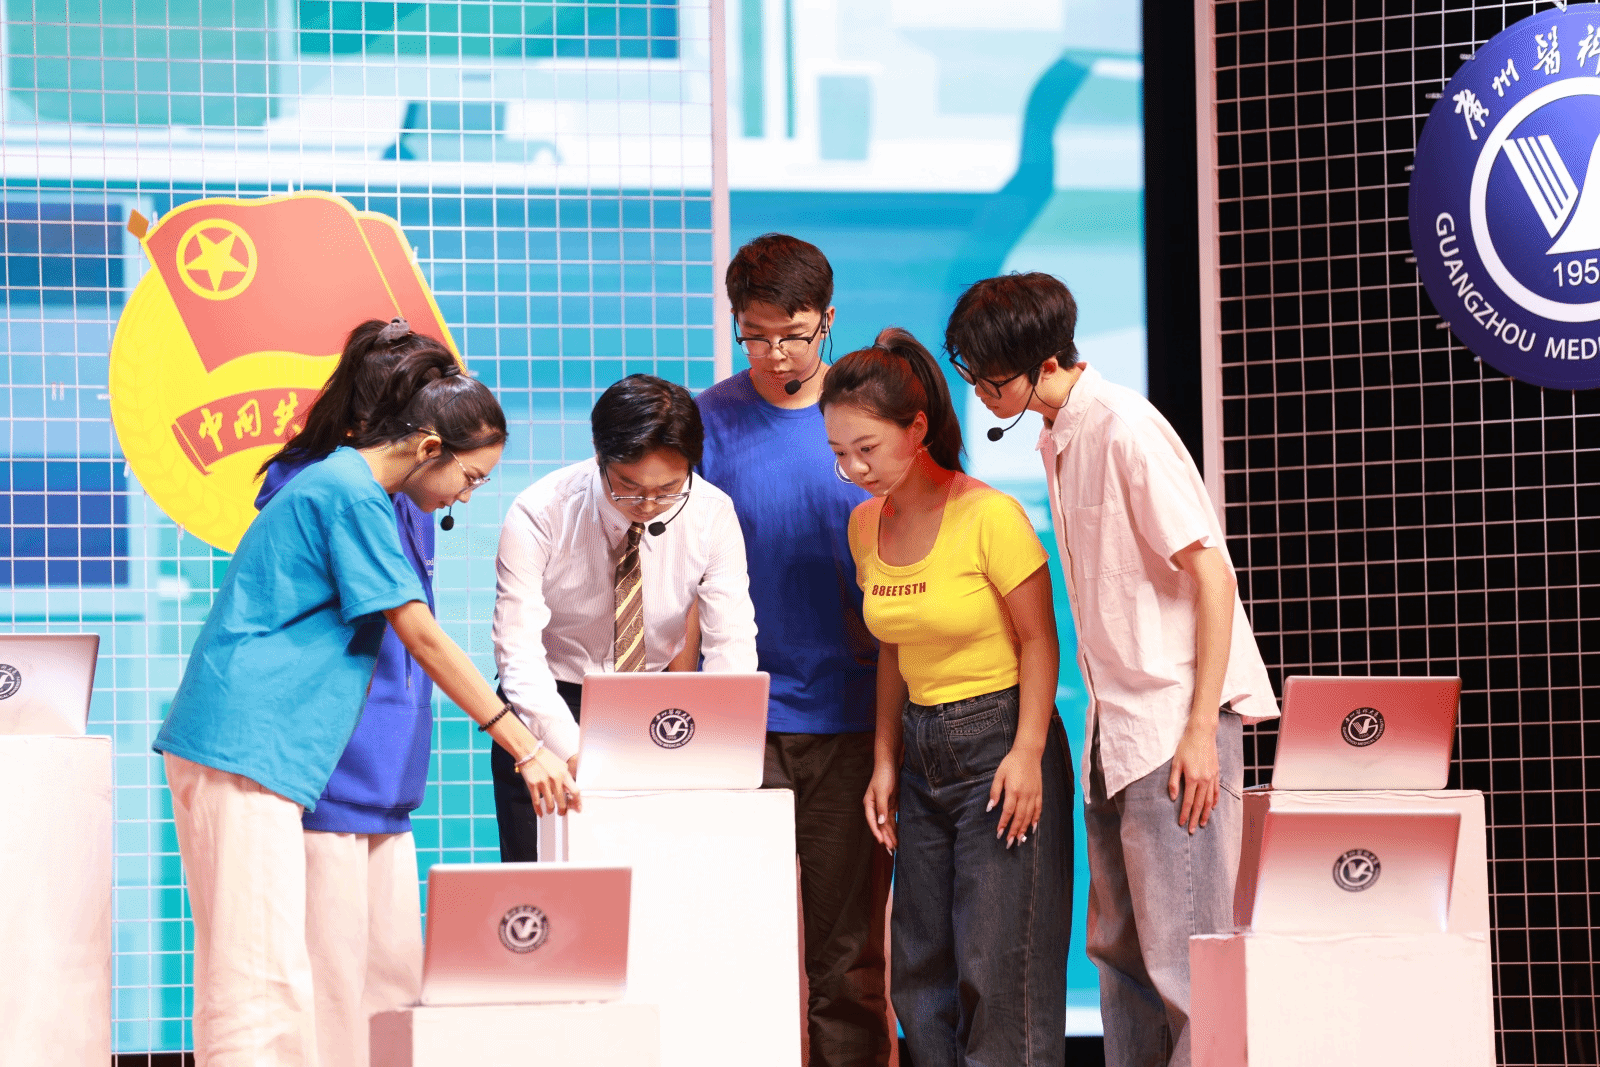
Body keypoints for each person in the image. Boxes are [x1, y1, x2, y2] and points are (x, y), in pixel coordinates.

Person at [153, 321, 578, 1067]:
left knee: (340, 978)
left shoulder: (364, 492)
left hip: (280, 750)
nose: (470, 494)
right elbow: (421, 635)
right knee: (260, 983)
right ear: (428, 447)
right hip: (246, 741)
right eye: (472, 477)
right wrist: (525, 744)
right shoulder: (346, 492)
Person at [944, 272, 1278, 1067]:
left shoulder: (1125, 426)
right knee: (1121, 956)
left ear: (1042, 362)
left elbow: (1213, 574)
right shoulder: (1059, 431)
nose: (982, 393)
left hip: (1172, 729)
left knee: (1188, 963)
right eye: (974, 376)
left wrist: (1200, 732)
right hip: (1114, 728)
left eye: (993, 379)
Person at [822, 327, 1073, 1067]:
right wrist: (885, 758)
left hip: (1001, 740)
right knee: (919, 973)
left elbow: (1039, 640)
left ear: (917, 429)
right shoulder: (864, 524)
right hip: (921, 750)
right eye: (838, 452)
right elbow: (894, 647)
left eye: (866, 448)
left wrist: (1028, 753)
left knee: (1000, 973)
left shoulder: (989, 514)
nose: (852, 468)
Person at [696, 233, 889, 1066]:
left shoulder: (867, 423)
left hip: (850, 719)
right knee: (745, 944)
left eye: (794, 335)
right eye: (756, 335)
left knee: (847, 957)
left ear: (829, 320)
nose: (776, 354)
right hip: (743, 724)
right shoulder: (707, 421)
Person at [252, 319, 444, 1067]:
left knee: (393, 977)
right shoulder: (320, 486)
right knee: (330, 977)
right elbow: (411, 632)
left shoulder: (411, 488)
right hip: (328, 761)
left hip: (392, 764)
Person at [491, 373, 758, 858]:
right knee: (545, 878)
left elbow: (732, 640)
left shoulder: (711, 513)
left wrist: (720, 746)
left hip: (648, 707)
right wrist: (572, 752)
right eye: (629, 488)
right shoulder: (541, 512)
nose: (649, 506)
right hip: (548, 702)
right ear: (600, 455)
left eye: (669, 489)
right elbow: (518, 654)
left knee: (647, 875)